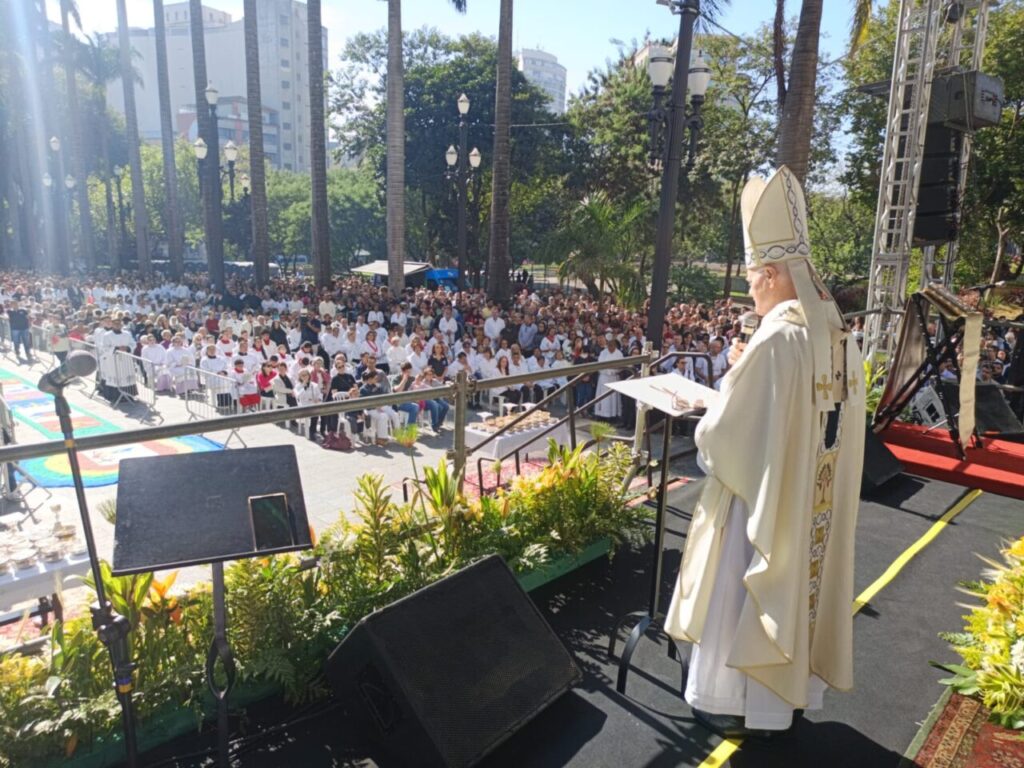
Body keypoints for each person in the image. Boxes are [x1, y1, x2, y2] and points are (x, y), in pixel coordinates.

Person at [664, 166, 865, 738]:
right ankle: (785, 702)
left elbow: (725, 436)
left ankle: (736, 704)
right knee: (800, 586)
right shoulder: (835, 332)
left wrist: (718, 394)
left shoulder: (777, 337)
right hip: (811, 500)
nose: (750, 289)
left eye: (753, 278)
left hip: (762, 505)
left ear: (772, 274)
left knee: (739, 591)